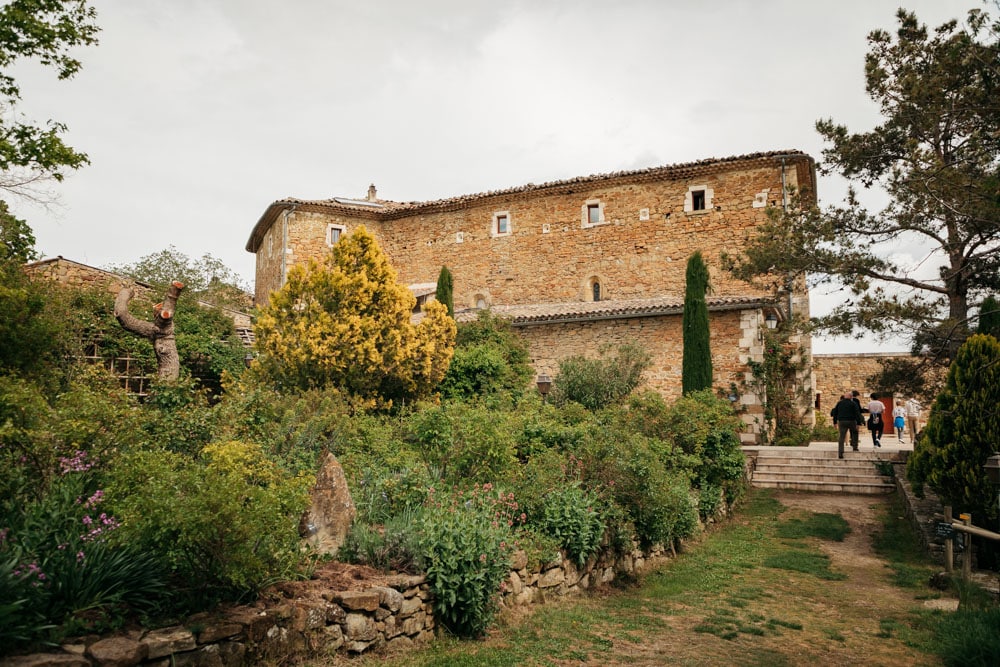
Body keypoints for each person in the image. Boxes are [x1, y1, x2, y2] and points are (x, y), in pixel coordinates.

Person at [831, 392, 863, 458]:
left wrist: (835, 422)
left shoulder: (839, 403)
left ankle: (840, 452)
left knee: (841, 437)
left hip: (842, 421)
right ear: (851, 397)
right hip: (852, 421)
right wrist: (859, 423)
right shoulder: (853, 403)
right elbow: (857, 413)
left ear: (845, 397)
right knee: (855, 433)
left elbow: (835, 413)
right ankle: (855, 447)